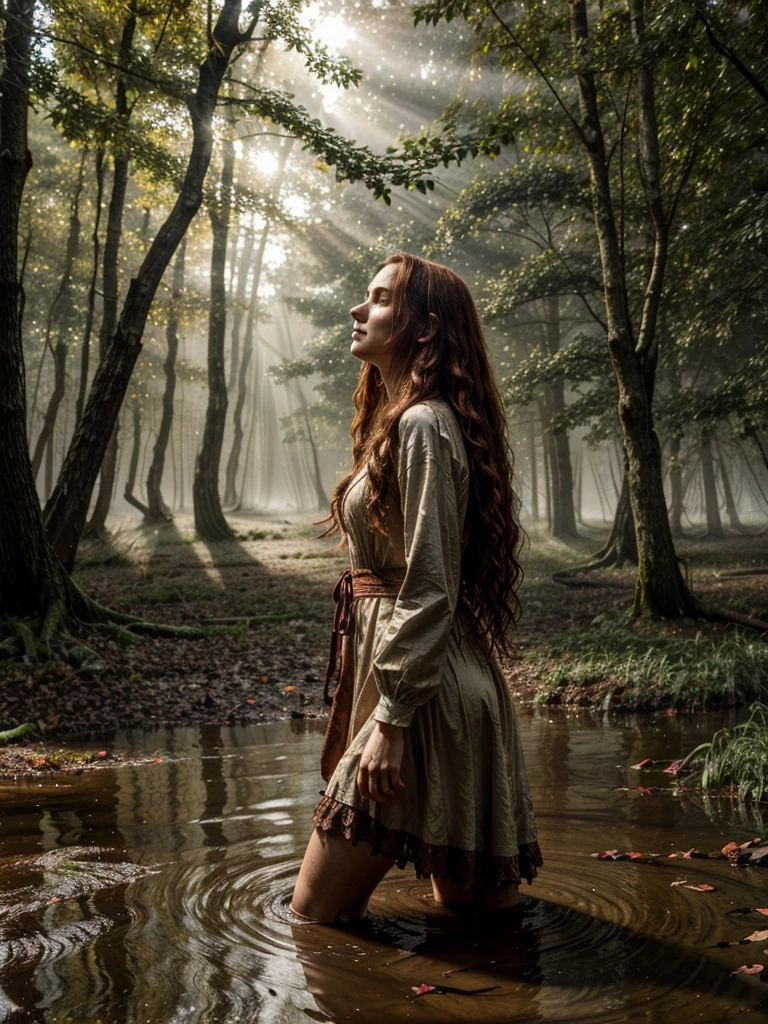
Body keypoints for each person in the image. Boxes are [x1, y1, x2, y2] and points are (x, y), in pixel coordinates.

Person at [291, 253, 541, 923]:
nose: (356, 309)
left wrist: (391, 720)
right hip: (437, 689)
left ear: (424, 329)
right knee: (481, 932)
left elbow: (431, 587)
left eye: (376, 299)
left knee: (313, 920)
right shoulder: (409, 422)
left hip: (423, 700)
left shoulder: (423, 426)